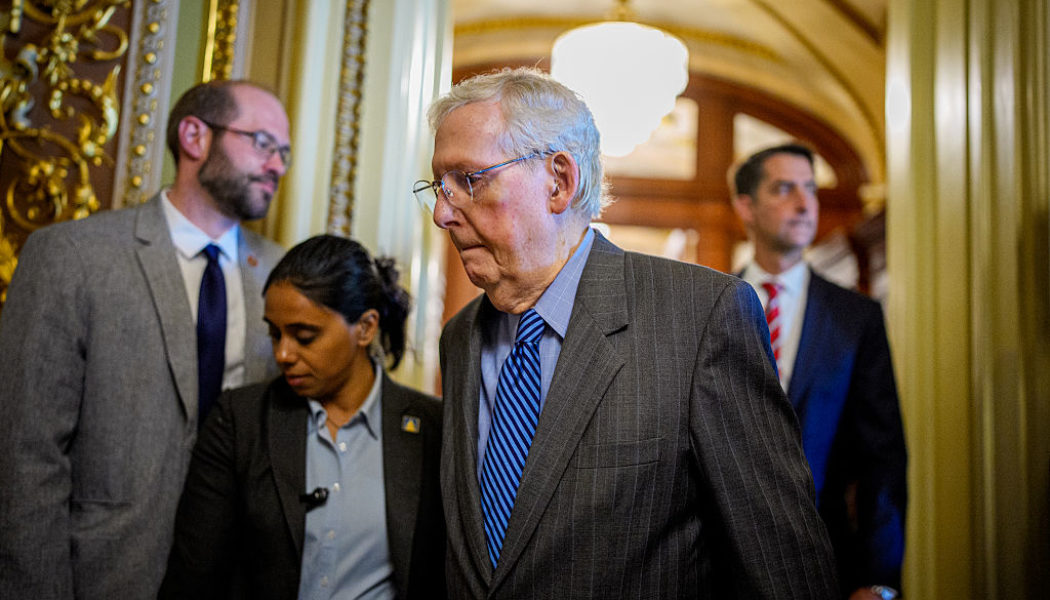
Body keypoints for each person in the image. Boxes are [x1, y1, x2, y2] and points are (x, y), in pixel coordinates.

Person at [414, 67, 838, 598]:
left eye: (469, 180)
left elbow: (782, 568)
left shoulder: (701, 316)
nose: (442, 213)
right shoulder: (460, 339)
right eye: (439, 186)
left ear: (559, 181)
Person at [0, 80, 289, 599]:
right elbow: (24, 458)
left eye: (284, 153)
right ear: (196, 137)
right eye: (264, 143)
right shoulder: (72, 257)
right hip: (104, 575)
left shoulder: (281, 276)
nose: (277, 166)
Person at [159, 234, 446, 600]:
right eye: (274, 333)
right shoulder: (240, 421)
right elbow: (194, 576)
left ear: (365, 327)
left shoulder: (433, 428)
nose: (282, 353)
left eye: (304, 336)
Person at [730, 143, 907, 600]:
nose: (804, 202)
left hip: (828, 565)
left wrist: (878, 579)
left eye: (809, 188)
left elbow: (882, 458)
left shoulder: (855, 318)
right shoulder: (703, 306)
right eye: (784, 188)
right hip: (719, 563)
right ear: (745, 206)